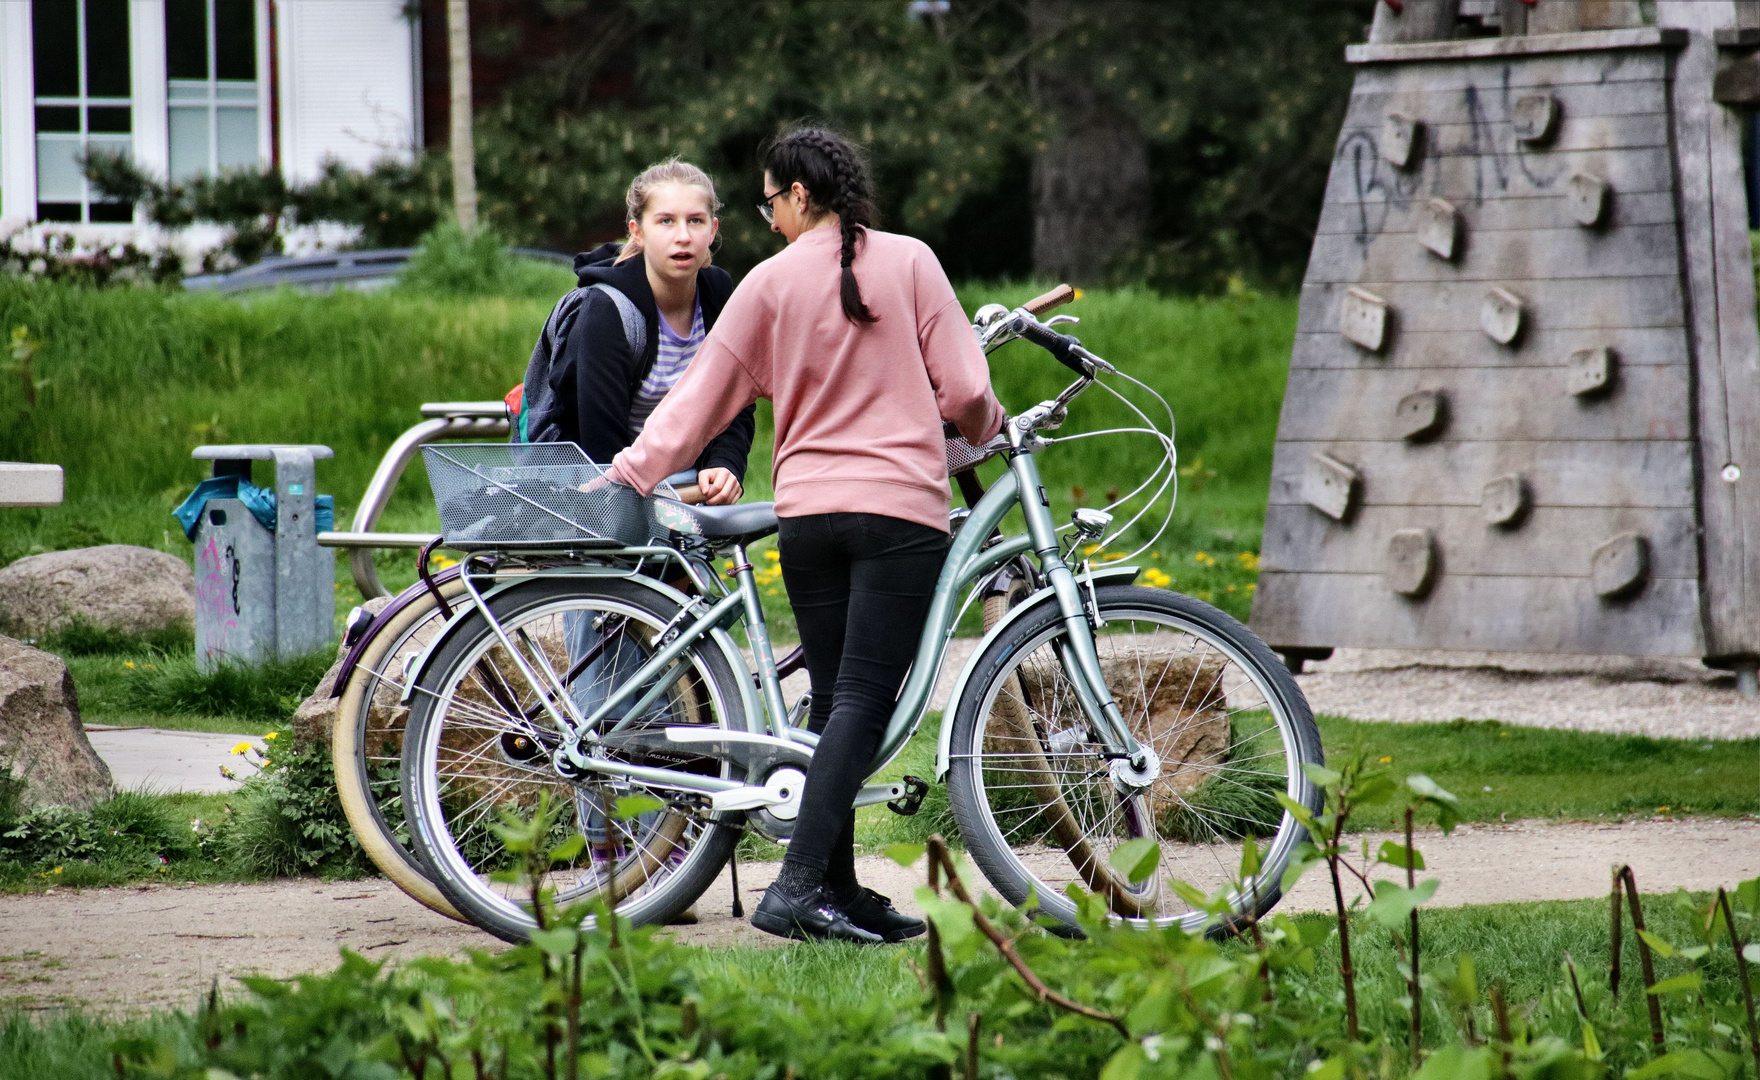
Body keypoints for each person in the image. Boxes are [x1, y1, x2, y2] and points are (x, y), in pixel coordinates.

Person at [608, 127, 1005, 944]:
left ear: (796, 195)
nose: (769, 221)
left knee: (832, 702)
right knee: (862, 701)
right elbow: (966, 389)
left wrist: (626, 477)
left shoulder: (767, 284)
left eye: (769, 204)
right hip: (898, 514)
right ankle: (793, 889)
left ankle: (840, 890)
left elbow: (697, 404)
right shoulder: (913, 261)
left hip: (809, 520)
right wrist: (985, 426)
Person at [520, 158, 754, 504]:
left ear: (713, 229)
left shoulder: (718, 294)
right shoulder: (607, 312)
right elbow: (600, 450)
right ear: (637, 231)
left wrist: (724, 464)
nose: (684, 236)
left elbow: (735, 401)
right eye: (666, 221)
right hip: (591, 486)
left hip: (683, 484)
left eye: (695, 221)